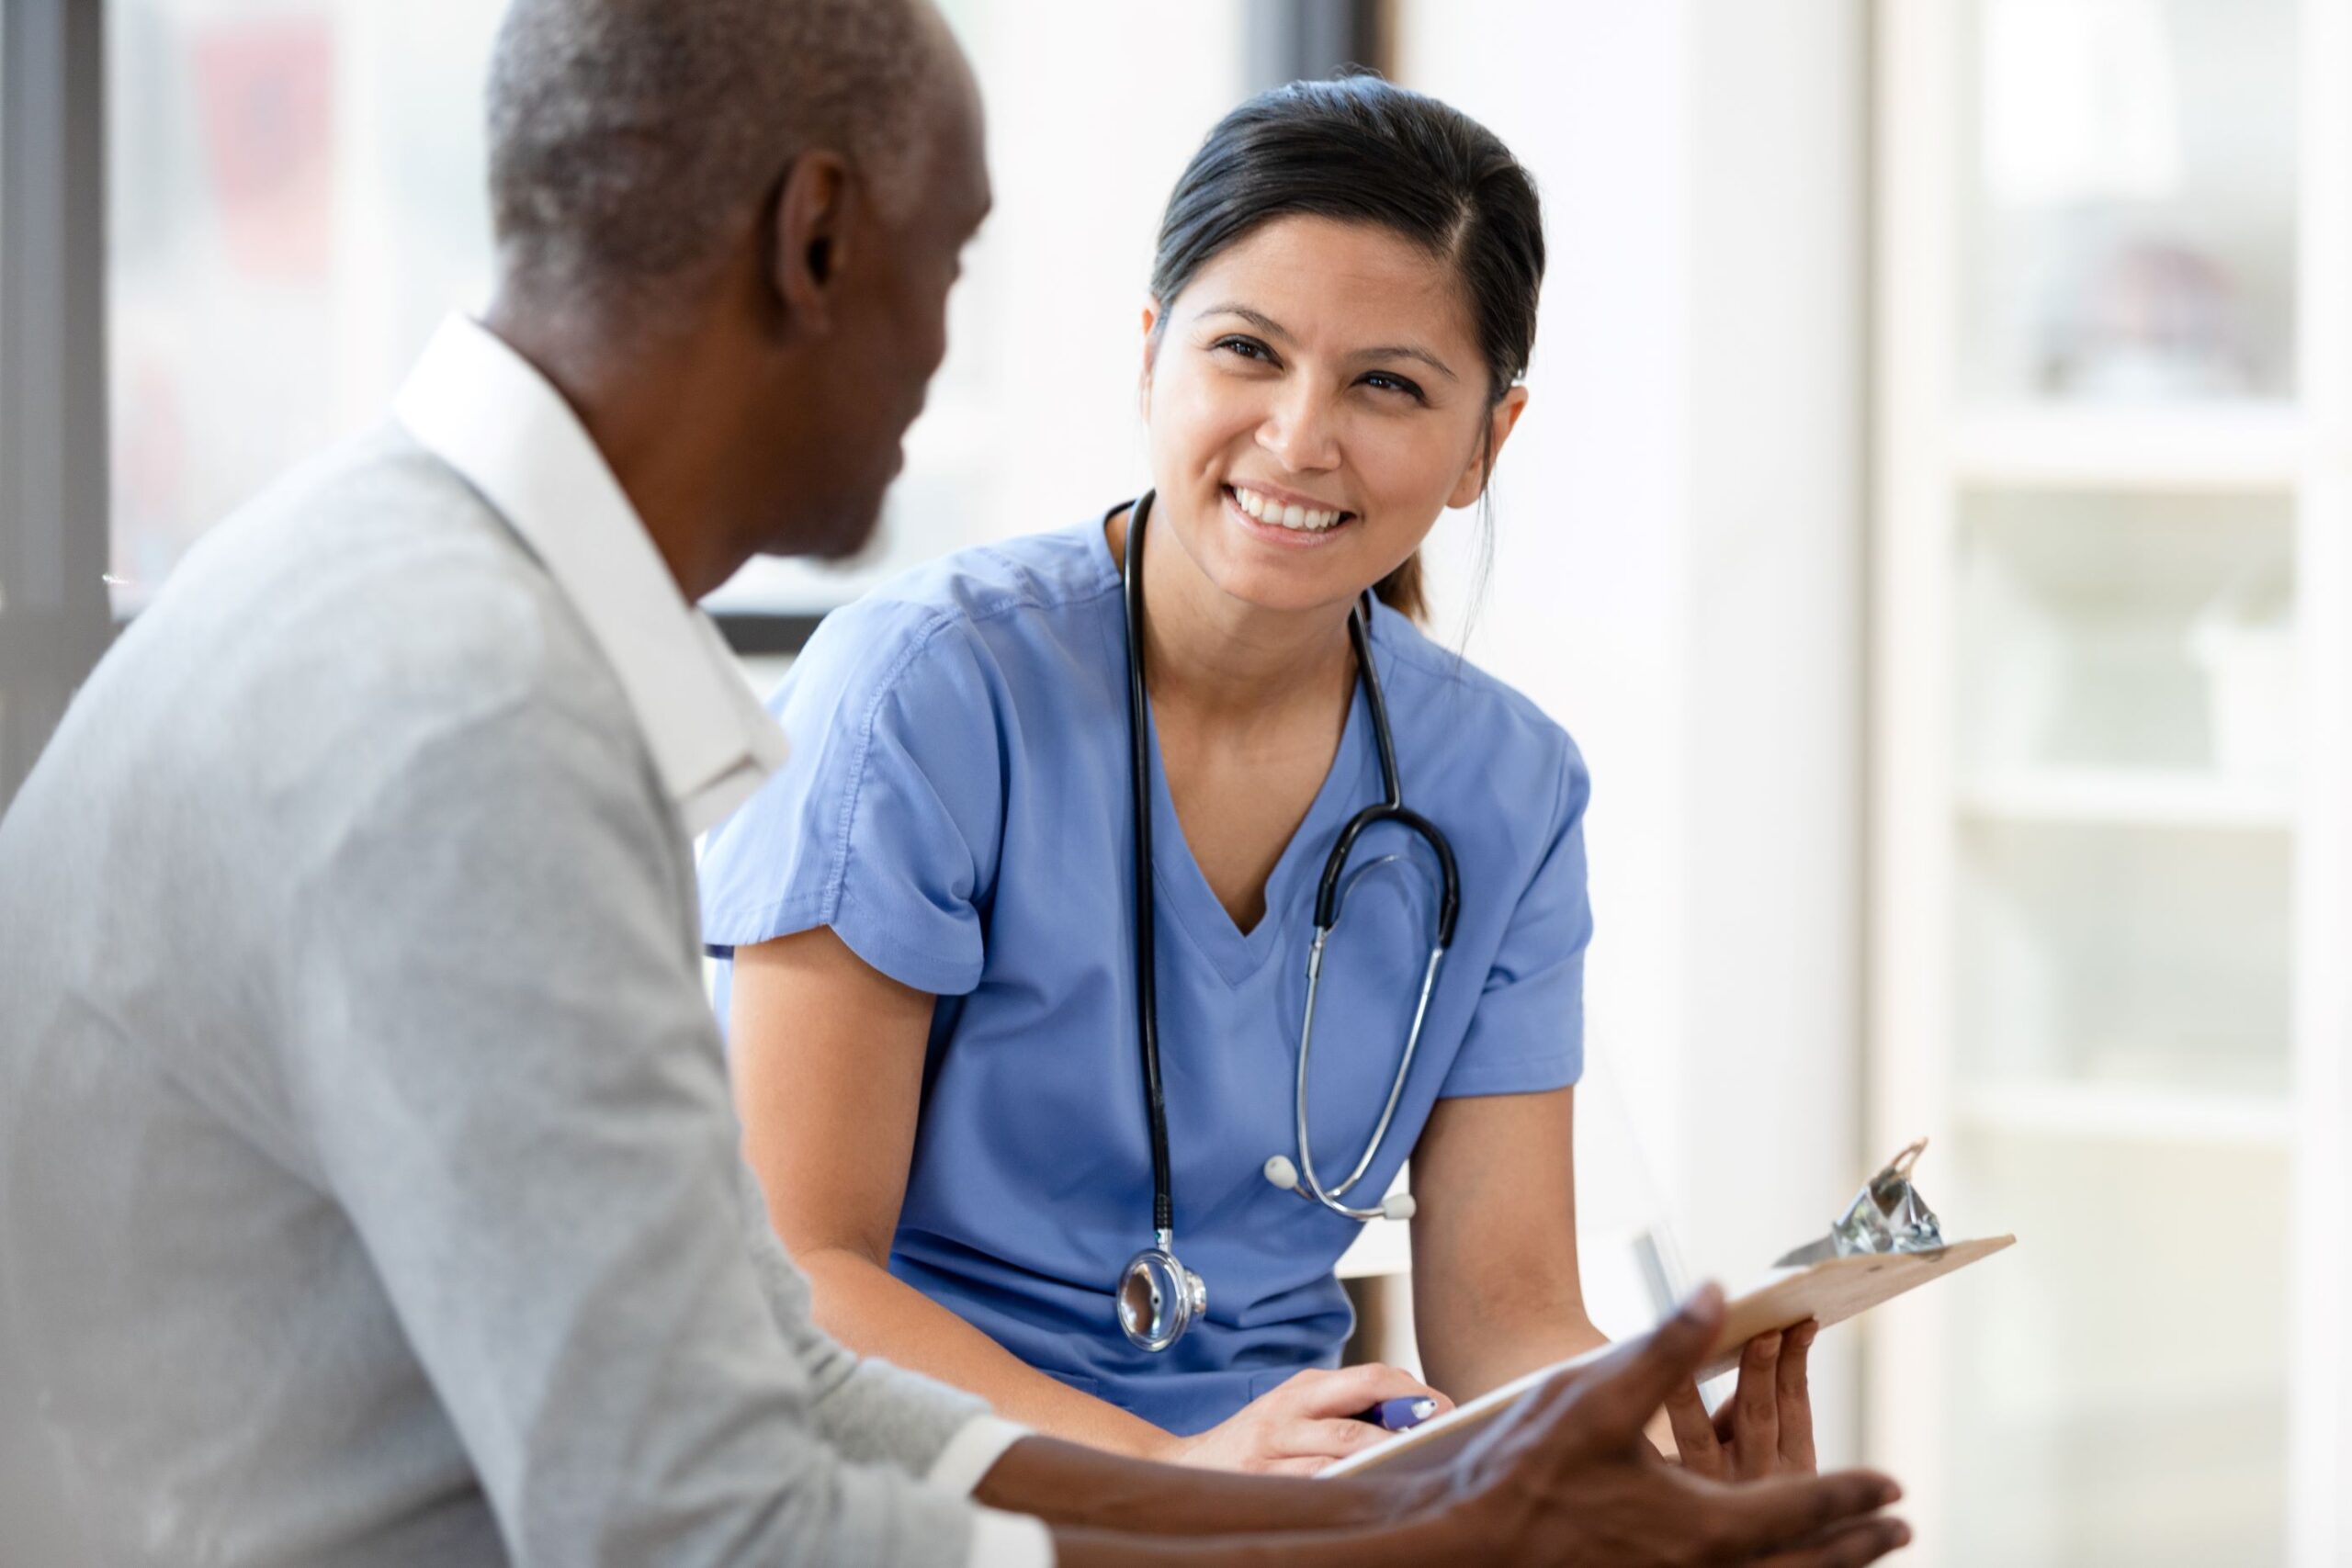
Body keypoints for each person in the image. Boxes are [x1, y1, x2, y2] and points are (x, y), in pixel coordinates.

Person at [0, 1, 1911, 1563]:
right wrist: (1338, 1542)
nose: (944, 349)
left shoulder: (409, 608)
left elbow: (750, 1379)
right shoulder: (467, 715)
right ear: (820, 241)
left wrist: (1427, 1498)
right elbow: (705, 1508)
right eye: (955, 260)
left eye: (1390, 386)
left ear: (1487, 436)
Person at [697, 74, 1781, 1479]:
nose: (1299, 437)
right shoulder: (924, 692)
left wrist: (1641, 1455)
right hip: (910, 1486)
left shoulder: (1507, 786)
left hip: (1291, 1500)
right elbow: (794, 1272)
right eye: (1248, 352)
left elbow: (1504, 1314)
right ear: (1153, 356)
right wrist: (1179, 1488)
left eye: (1388, 384)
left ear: (1485, 444)